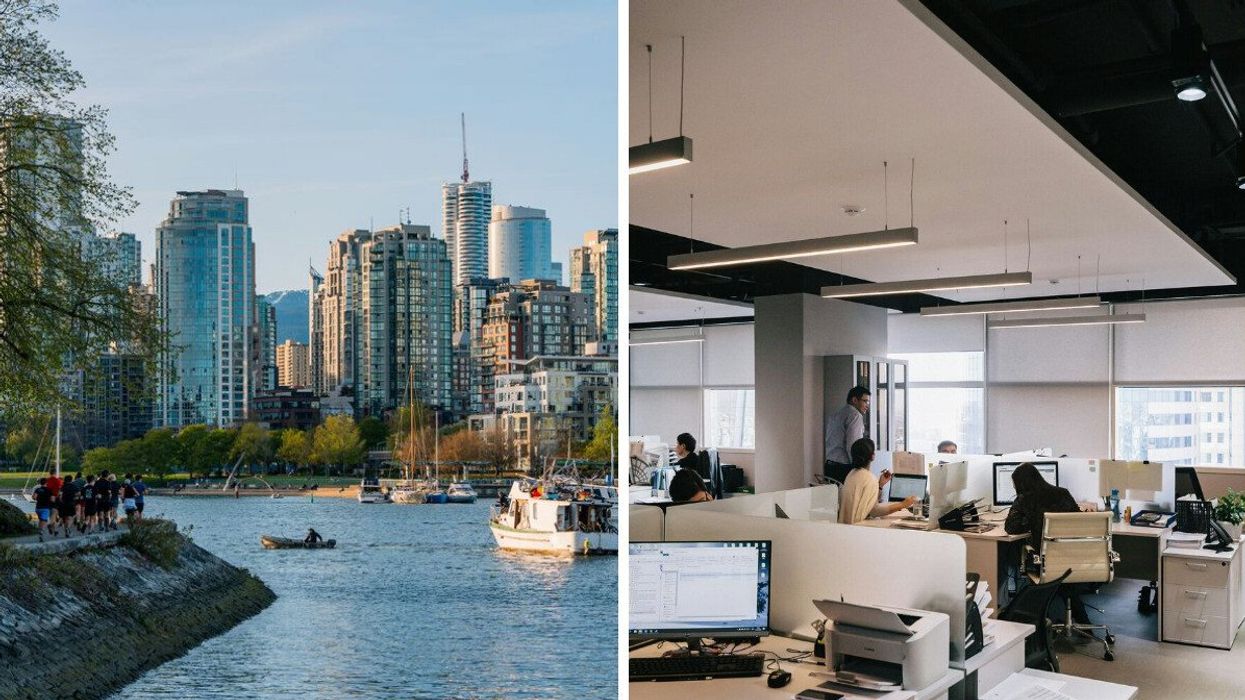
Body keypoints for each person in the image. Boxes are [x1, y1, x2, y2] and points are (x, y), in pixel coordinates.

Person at [1003, 462, 1088, 622]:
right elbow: (1078, 520)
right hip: (1073, 558)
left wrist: (1027, 520)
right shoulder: (1063, 493)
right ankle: (1082, 619)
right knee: (1066, 580)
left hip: (1044, 562)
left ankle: (1039, 620)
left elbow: (1010, 528)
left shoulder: (1024, 499)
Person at [838, 438, 917, 524]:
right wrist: (903, 504)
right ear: (873, 456)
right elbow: (875, 511)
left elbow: (868, 504)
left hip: (845, 528)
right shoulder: (869, 478)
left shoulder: (851, 474)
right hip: (858, 529)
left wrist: (880, 485)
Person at [825, 386, 870, 486]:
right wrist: (858, 469)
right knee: (848, 500)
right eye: (865, 401)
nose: (867, 405)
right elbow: (853, 446)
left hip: (829, 466)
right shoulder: (855, 416)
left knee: (834, 500)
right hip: (844, 468)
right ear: (854, 400)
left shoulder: (836, 415)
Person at [32, 477, 53, 542]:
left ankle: (40, 530)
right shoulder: (49, 490)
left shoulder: (38, 489)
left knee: (41, 520)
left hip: (38, 508)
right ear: (46, 483)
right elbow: (52, 499)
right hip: (45, 508)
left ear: (40, 483)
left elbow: (34, 497)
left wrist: (39, 498)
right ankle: (41, 532)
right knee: (44, 521)